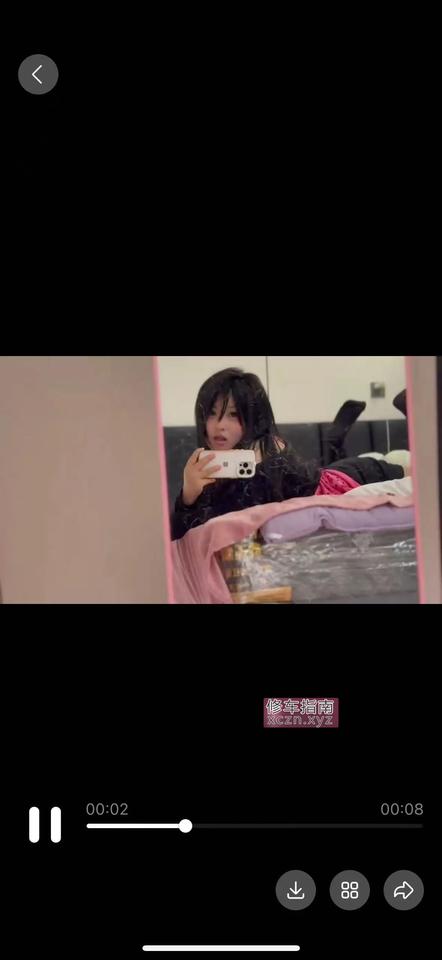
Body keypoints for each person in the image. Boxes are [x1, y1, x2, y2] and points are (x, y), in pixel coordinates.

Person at [171, 368, 406, 541]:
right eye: (211, 414)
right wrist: (188, 497)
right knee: (388, 456)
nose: (219, 425)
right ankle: (334, 443)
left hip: (344, 480)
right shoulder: (206, 468)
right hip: (332, 472)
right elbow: (185, 540)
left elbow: (237, 520)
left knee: (405, 464)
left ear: (255, 419)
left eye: (233, 415)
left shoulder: (266, 454)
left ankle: (411, 418)